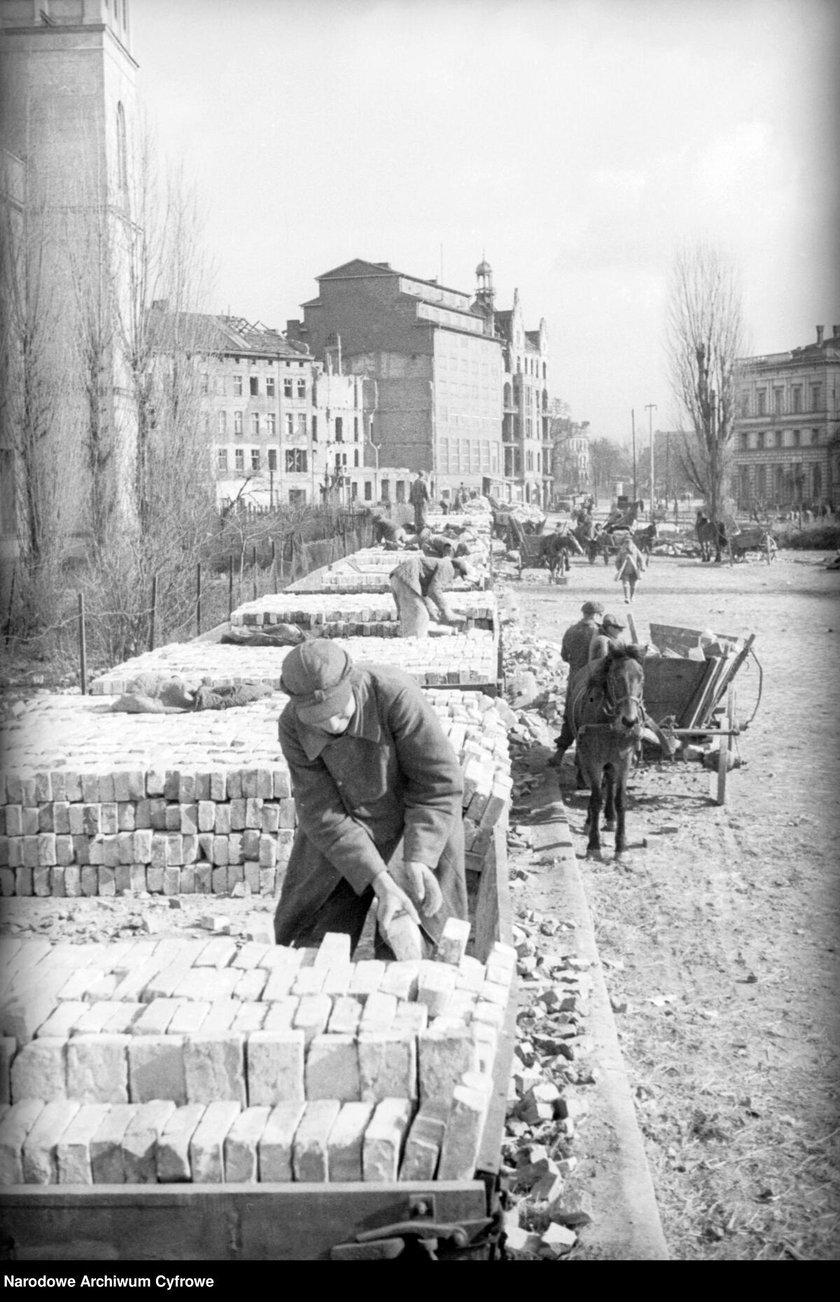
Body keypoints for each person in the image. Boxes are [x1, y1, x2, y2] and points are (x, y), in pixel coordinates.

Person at [274, 642, 468, 958]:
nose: (332, 725)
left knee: (423, 932)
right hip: (347, 828)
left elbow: (438, 784)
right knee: (315, 935)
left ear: (350, 681)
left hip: (415, 820)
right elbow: (322, 812)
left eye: (339, 712)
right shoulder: (292, 726)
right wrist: (380, 880)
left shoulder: (395, 695)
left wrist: (419, 856)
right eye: (319, 719)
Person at [548, 601, 604, 770]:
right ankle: (583, 760)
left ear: (583, 613)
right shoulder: (599, 632)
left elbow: (564, 655)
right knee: (593, 717)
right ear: (597, 614)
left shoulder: (571, 631)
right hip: (593, 681)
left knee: (571, 716)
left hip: (574, 679)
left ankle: (559, 754)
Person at [389, 553, 472, 637]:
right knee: (419, 615)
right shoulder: (448, 568)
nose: (455, 578)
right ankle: (412, 643)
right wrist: (445, 610)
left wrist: (432, 613)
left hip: (398, 578)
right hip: (407, 577)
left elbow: (426, 593)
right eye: (458, 575)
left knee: (411, 614)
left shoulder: (441, 564)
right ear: (457, 570)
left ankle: (406, 636)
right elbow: (434, 590)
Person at [615, 532, 645, 603]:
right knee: (626, 584)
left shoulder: (635, 550)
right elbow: (617, 561)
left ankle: (632, 596)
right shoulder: (622, 551)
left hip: (634, 570)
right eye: (626, 541)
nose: (627, 542)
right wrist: (619, 569)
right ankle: (627, 597)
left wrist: (642, 566)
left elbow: (641, 559)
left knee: (633, 585)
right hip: (625, 571)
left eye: (629, 541)